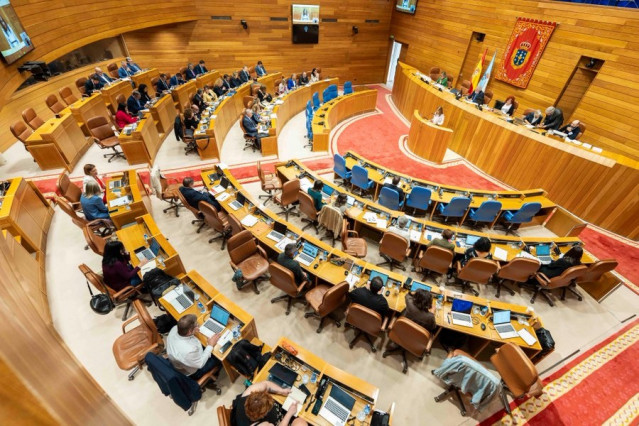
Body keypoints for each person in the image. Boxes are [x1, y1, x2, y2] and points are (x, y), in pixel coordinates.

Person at [166, 314, 222, 380]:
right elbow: (200, 364)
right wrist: (210, 345)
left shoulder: (174, 328)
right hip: (195, 371)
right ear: (189, 331)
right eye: (197, 325)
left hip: (184, 361)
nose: (198, 326)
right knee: (219, 355)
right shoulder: (189, 351)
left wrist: (194, 331)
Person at [232, 381, 307, 426]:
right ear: (262, 414)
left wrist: (281, 391)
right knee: (301, 422)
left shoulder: (249, 392)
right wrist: (289, 414)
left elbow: (266, 384)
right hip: (280, 420)